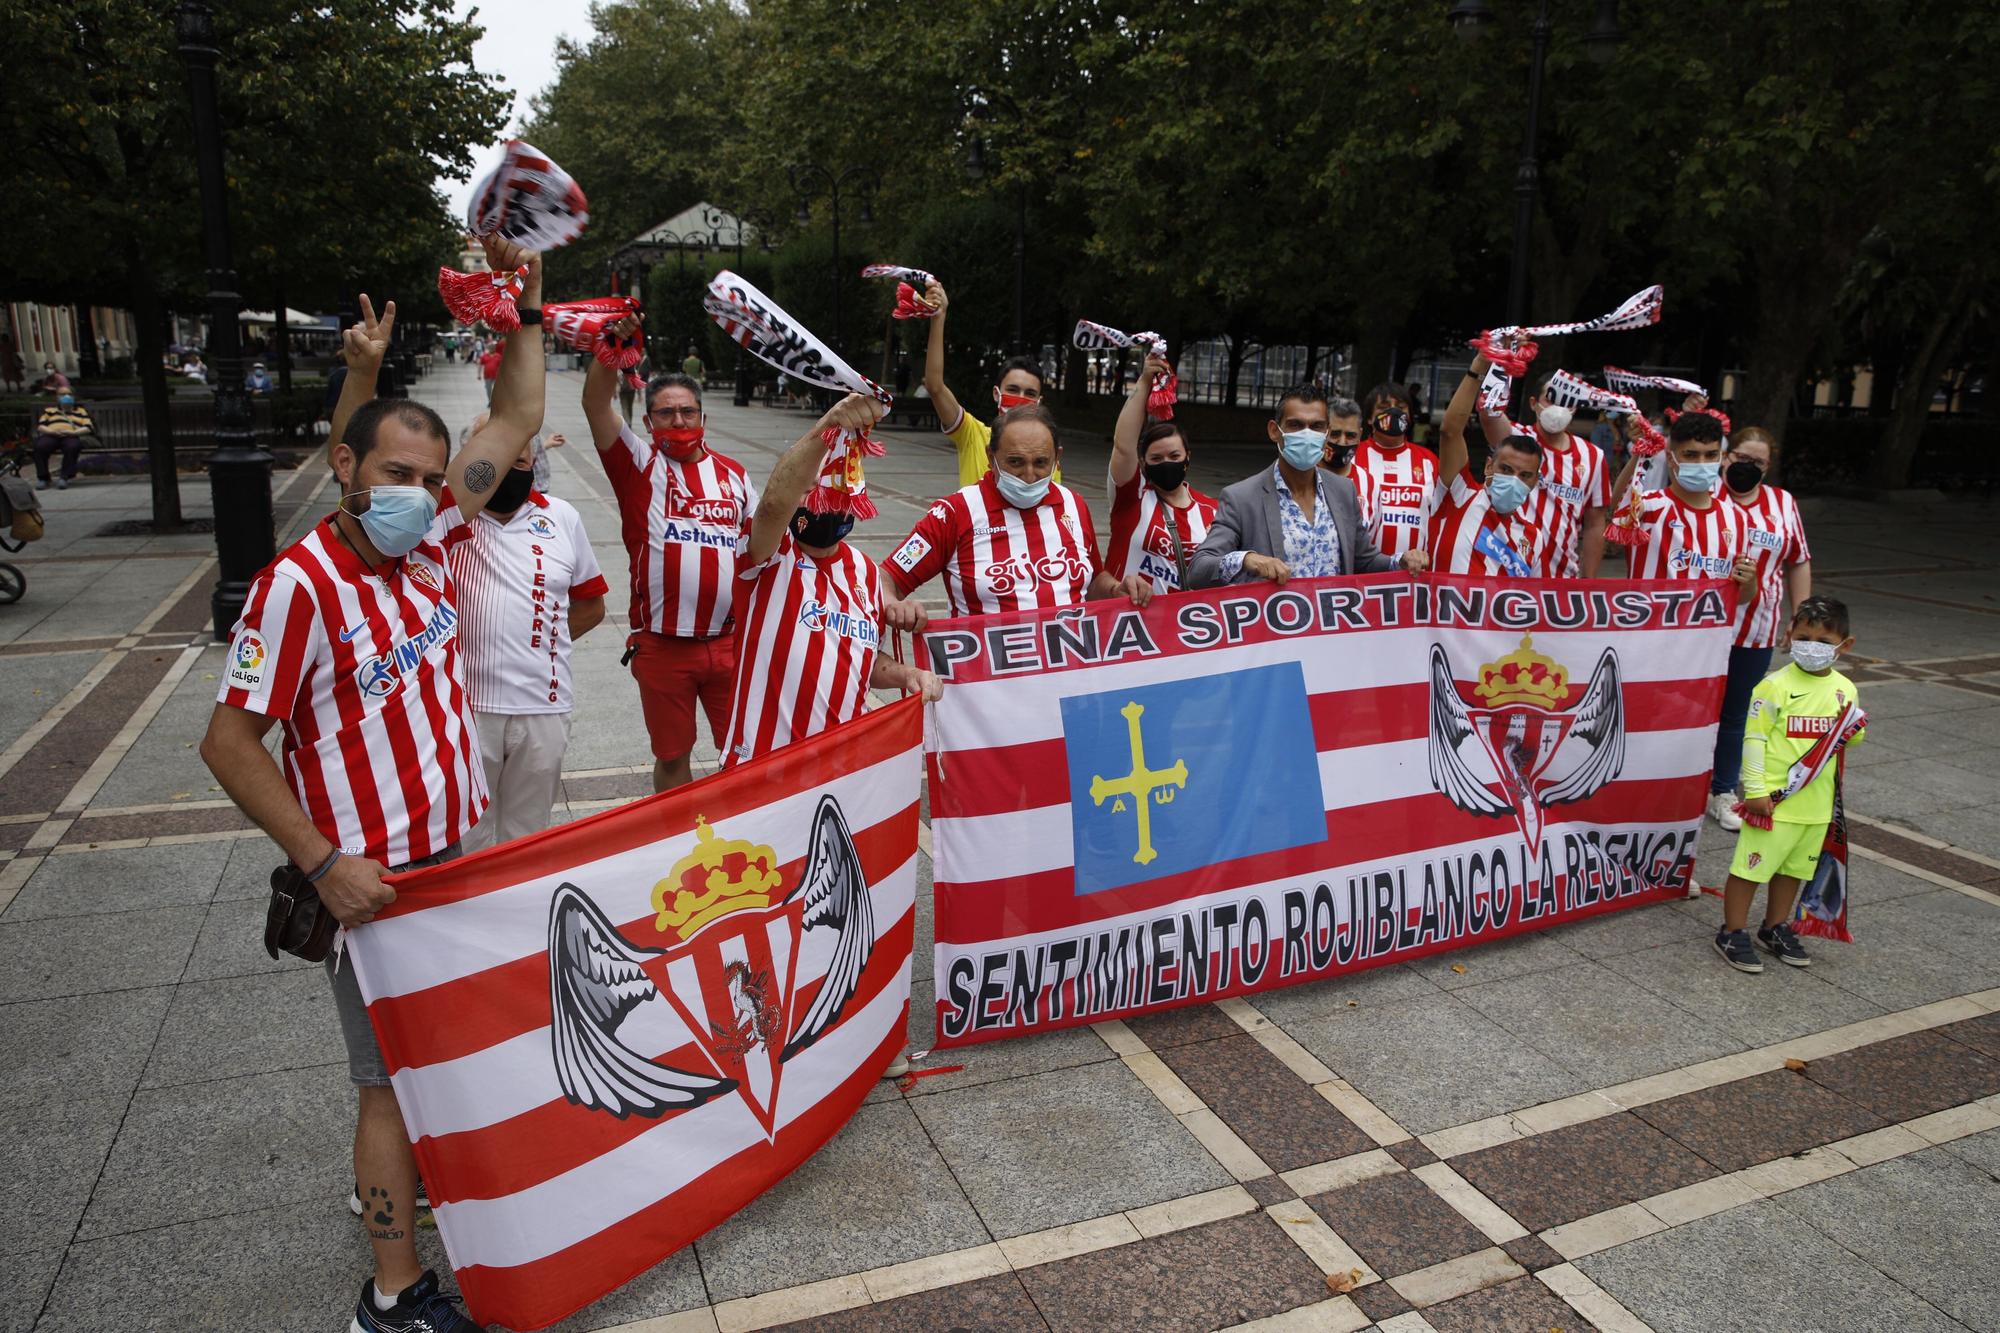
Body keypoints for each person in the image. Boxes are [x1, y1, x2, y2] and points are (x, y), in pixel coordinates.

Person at [198, 234, 549, 1333]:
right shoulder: (297, 587)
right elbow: (228, 740)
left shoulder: (436, 540)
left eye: (430, 479)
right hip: (375, 888)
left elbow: (517, 421)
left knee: (441, 1058)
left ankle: (426, 1212)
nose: (418, 493)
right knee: (387, 1084)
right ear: (349, 473)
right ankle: (392, 1297)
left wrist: (527, 304)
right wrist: (321, 860)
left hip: (452, 862)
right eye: (396, 475)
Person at [583, 316, 757, 792]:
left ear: (703, 418)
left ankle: (745, 835)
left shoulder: (736, 475)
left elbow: (760, 551)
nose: (679, 422)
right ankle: (680, 844)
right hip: (662, 645)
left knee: (741, 755)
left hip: (729, 643)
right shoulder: (639, 463)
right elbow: (596, 403)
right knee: (673, 755)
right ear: (647, 421)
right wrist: (613, 347)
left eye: (688, 412)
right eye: (666, 413)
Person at [723, 393, 938, 767]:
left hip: (840, 768)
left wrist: (909, 674)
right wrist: (829, 426)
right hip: (762, 765)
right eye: (814, 489)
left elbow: (861, 659)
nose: (826, 500)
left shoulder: (867, 573)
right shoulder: (770, 554)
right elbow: (774, 503)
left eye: (840, 487)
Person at [450, 433, 608, 850]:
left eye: (518, 461)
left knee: (527, 838)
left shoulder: (562, 516)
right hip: (465, 708)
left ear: (534, 462)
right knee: (467, 838)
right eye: (494, 461)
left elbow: (591, 605)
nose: (507, 470)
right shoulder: (449, 521)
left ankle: (518, 913)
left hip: (543, 706)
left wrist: (536, 642)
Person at [886, 402, 1149, 616]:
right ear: (991, 458)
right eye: (1015, 462)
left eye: (1041, 462)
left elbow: (1090, 580)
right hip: (987, 676)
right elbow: (887, 578)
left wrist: (1116, 588)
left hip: (1068, 673)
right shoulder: (954, 513)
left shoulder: (1074, 505)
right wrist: (896, 607)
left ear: (1058, 458)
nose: (1029, 475)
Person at [1714, 597, 1863, 974]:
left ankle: (1774, 926)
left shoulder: (1846, 690)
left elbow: (1847, 740)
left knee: (1794, 870)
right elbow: (1754, 739)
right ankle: (1731, 931)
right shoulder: (1773, 686)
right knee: (1750, 869)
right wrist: (1756, 789)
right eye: (1804, 636)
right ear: (1789, 636)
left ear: (1845, 646)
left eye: (1824, 641)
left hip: (1815, 806)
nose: (1812, 646)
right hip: (1774, 803)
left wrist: (1857, 731)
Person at [1188, 383, 1428, 588]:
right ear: (1274, 430)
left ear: (1326, 432)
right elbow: (1198, 570)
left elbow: (1364, 561)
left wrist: (1400, 561)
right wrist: (1246, 560)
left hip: (1331, 635)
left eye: (1316, 427)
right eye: (1295, 425)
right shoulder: (1242, 498)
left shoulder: (1344, 491)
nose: (1306, 434)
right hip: (1273, 636)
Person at [1707, 426, 1813, 830]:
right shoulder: (1704, 496)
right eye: (1740, 459)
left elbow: (1798, 559)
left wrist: (1801, 615)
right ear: (1726, 455)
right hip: (1700, 627)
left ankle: (1722, 790)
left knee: (1738, 713)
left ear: (1768, 467)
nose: (1747, 468)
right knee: (1690, 708)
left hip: (1755, 628)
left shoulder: (1782, 503)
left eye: (1758, 463)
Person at [919, 278, 1060, 488]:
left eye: (1029, 393)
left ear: (1039, 402)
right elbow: (935, 385)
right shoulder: (972, 434)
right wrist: (938, 318)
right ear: (996, 393)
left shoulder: (1044, 452)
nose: (1020, 398)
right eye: (1013, 389)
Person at [1607, 410, 1756, 601]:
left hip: (1705, 630)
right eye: (1691, 455)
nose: (1701, 463)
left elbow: (1740, 598)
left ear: (1722, 456)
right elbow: (1617, 503)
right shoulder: (1650, 505)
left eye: (1711, 455)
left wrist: (1751, 583)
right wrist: (1641, 452)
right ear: (1670, 458)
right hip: (1649, 628)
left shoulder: (1737, 519)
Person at [1104, 350, 1219, 595]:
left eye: (1174, 456)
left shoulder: (1213, 510)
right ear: (1143, 463)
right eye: (1156, 458)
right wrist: (1145, 380)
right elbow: (1123, 445)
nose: (1166, 463)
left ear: (1187, 457)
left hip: (1187, 627)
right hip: (1127, 624)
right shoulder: (1132, 498)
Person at [1479, 374, 1610, 577]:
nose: (1557, 409)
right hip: (1506, 570)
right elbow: (1489, 412)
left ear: (1574, 407)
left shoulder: (1593, 456)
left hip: (1561, 580)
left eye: (1565, 401)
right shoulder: (1515, 440)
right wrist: (1504, 356)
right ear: (1533, 403)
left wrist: (1587, 583)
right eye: (1550, 399)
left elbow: (1595, 524)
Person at [1428, 355, 1549, 576]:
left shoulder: (1534, 539)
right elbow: (1450, 431)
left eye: (1524, 475)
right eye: (1506, 470)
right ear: (1489, 466)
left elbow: (1533, 601)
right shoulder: (1459, 495)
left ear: (1534, 481)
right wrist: (1479, 365)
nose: (1514, 480)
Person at [1355, 382, 1438, 563]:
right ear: (1369, 418)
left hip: (1413, 577)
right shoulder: (1353, 457)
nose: (1393, 413)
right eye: (1384, 408)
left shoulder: (1428, 461)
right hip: (1361, 575)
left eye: (1400, 408)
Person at [1318, 395, 1376, 538]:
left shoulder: (1367, 482)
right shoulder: (1302, 474)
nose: (1342, 442)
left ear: (1360, 435)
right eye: (1334, 434)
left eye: (1350, 435)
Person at [32, 394, 97, 490]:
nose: (66, 397)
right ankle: (43, 478)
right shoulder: (50, 411)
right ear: (58, 398)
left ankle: (64, 477)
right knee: (40, 446)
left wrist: (73, 432)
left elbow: (88, 427)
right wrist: (52, 432)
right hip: (52, 434)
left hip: (71, 435)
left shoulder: (80, 411)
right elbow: (41, 426)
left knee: (73, 446)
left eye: (69, 394)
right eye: (63, 395)